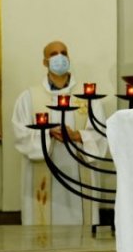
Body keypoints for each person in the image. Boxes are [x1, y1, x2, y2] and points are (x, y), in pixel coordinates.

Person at [10, 40, 107, 225]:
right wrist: (47, 134)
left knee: (82, 232)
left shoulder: (87, 97)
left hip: (79, 172)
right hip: (45, 176)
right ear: (45, 62)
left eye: (63, 52)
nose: (59, 57)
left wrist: (77, 136)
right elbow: (20, 134)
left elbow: (101, 132)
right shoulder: (29, 97)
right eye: (53, 54)